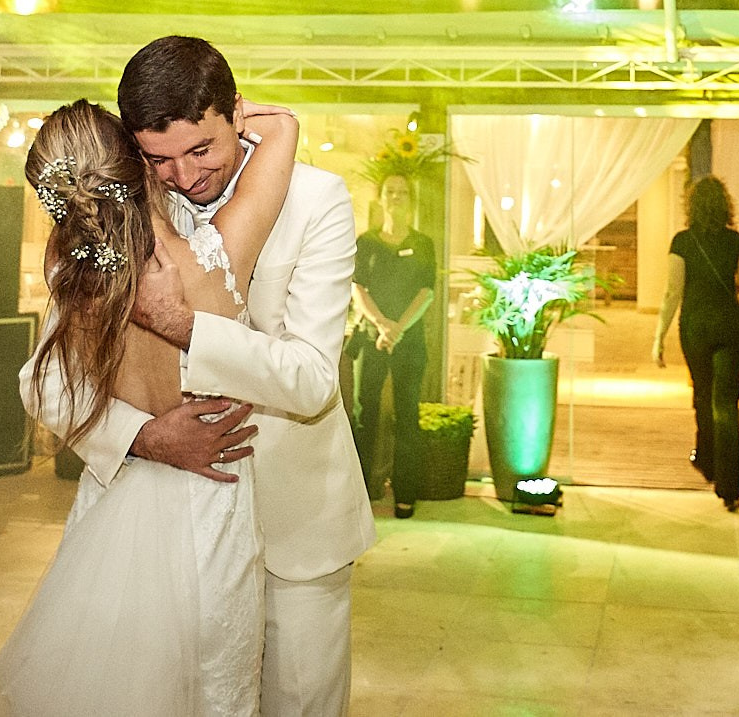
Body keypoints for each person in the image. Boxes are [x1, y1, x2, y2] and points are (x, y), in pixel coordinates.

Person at [22, 36, 372, 717]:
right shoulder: (114, 214)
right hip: (166, 529)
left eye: (202, 149)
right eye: (160, 157)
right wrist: (145, 437)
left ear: (235, 113)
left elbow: (309, 379)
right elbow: (45, 379)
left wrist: (184, 325)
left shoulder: (316, 198)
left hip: (298, 522)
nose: (184, 174)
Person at [0, 94, 297, 716]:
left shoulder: (70, 270)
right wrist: (146, 434)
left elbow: (51, 382)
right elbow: (282, 130)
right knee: (214, 686)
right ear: (142, 162)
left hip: (114, 504)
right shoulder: (214, 257)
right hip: (211, 497)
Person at [651, 175, 739, 511]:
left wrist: (659, 335)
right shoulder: (735, 241)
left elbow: (673, 292)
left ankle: (708, 460)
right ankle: (730, 487)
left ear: (691, 206)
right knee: (726, 403)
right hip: (729, 328)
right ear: (725, 205)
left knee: (702, 394)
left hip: (696, 327)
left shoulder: (681, 242)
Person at [349, 173, 437, 519]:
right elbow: (359, 288)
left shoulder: (424, 243)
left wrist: (398, 328)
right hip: (372, 339)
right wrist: (382, 325)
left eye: (403, 192)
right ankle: (362, 492)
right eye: (390, 192)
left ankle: (405, 494)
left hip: (409, 340)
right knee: (363, 415)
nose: (396, 197)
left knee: (407, 416)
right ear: (381, 199)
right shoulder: (366, 242)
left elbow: (426, 292)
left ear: (410, 200)